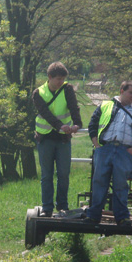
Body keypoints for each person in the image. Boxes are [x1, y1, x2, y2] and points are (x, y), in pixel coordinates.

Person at [83, 81, 132, 226]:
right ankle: (94, 216)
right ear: (122, 90)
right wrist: (97, 146)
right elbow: (92, 125)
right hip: (104, 149)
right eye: (130, 92)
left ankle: (122, 218)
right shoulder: (105, 105)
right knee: (99, 183)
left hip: (124, 151)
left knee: (121, 185)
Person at [32, 62, 83, 217]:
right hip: (45, 139)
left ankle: (62, 206)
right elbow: (45, 113)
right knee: (47, 175)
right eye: (58, 79)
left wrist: (77, 124)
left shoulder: (67, 89)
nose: (61, 82)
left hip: (63, 140)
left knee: (63, 173)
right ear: (49, 77)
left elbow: (74, 108)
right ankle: (47, 208)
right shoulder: (38, 93)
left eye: (63, 79)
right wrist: (60, 126)